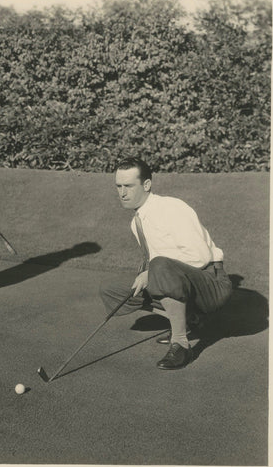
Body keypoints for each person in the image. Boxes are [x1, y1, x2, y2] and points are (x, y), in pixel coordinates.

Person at [99, 157, 231, 370]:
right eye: (119, 186)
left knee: (159, 266)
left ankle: (181, 344)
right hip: (179, 279)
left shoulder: (171, 207)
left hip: (211, 282)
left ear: (147, 185)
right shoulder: (137, 221)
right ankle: (189, 318)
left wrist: (152, 272)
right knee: (111, 289)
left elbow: (200, 256)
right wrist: (147, 273)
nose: (122, 193)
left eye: (129, 186)